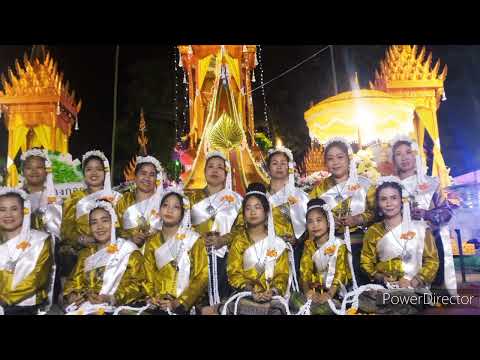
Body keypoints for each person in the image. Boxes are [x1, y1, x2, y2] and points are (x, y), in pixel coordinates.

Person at [205, 183, 290, 315]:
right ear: (243, 215)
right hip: (244, 294)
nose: (253, 212)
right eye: (248, 208)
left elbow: (282, 275)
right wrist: (250, 291)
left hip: (272, 296)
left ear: (267, 212)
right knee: (232, 308)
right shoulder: (239, 241)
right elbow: (234, 273)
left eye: (257, 207)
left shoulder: (277, 243)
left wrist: (272, 291)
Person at [233, 146, 308, 294]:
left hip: (293, 252)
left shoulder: (300, 196)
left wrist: (297, 239)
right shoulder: (259, 197)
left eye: (283, 163)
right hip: (262, 252)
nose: (279, 166)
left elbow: (311, 226)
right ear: (268, 168)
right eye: (274, 163)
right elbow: (241, 225)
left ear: (289, 167)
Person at [359, 177, 439, 314]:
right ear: (378, 203)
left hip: (413, 287)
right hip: (385, 286)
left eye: (393, 198)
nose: (389, 203)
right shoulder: (373, 232)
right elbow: (366, 263)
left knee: (402, 298)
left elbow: (432, 261)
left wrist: (413, 281)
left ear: (402, 201)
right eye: (383, 199)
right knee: (362, 298)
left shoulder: (420, 229)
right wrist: (381, 278)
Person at [390, 135, 456, 295]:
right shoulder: (389, 186)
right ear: (393, 159)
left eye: (408, 152)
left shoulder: (432, 183)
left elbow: (447, 212)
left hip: (429, 244)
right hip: (399, 245)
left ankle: (435, 289)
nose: (404, 157)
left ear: (416, 156)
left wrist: (427, 214)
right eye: (398, 154)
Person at [309, 137, 376, 287]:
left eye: (340, 157)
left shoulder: (364, 184)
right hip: (330, 241)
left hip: (359, 240)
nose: (336, 162)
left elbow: (376, 212)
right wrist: (328, 220)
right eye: (330, 159)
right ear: (326, 163)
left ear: (348, 159)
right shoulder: (320, 189)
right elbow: (310, 212)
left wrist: (358, 219)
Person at [63, 201, 145, 315]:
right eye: (94, 222)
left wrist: (109, 298)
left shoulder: (128, 250)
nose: (99, 227)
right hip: (86, 308)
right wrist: (72, 295)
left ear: (114, 223)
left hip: (118, 309)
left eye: (105, 221)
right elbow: (73, 282)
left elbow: (138, 286)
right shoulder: (86, 253)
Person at [186, 151, 242, 305]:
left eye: (219, 167)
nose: (215, 170)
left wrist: (224, 240)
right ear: (204, 172)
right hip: (197, 258)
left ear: (226, 173)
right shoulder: (190, 199)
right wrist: (198, 240)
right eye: (210, 167)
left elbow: (242, 228)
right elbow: (183, 228)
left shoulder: (236, 200)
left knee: (223, 302)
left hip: (227, 258)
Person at [143, 187, 208, 315]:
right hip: (157, 305)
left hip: (183, 306)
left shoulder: (193, 240)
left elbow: (202, 275)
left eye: (176, 207)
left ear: (183, 213)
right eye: (165, 205)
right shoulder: (152, 242)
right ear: (159, 210)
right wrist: (152, 297)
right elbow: (147, 275)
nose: (169, 210)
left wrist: (179, 302)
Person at [60, 150, 122, 280]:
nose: (94, 173)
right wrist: (82, 239)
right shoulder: (74, 199)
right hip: (81, 250)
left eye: (98, 169)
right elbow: (66, 229)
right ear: (83, 173)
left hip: (111, 248)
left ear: (105, 173)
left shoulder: (117, 198)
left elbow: (122, 227)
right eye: (89, 169)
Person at [289, 198, 351, 315]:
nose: (315, 225)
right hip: (314, 292)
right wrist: (308, 292)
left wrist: (329, 294)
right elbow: (305, 271)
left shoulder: (339, 245)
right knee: (293, 297)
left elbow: (340, 273)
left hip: (334, 293)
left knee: (329, 307)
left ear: (328, 222)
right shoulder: (308, 245)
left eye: (319, 220)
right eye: (310, 221)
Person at [0, 188, 53, 315]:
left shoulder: (40, 240)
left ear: (24, 211)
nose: (8, 215)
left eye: (14, 209)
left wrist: (5, 300)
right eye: (2, 209)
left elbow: (36, 279)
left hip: (28, 308)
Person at [115, 156, 164, 249]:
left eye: (152, 174)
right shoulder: (124, 200)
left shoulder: (163, 202)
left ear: (156, 179)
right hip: (128, 256)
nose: (147, 178)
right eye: (143, 173)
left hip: (156, 255)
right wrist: (129, 238)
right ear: (135, 176)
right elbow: (114, 229)